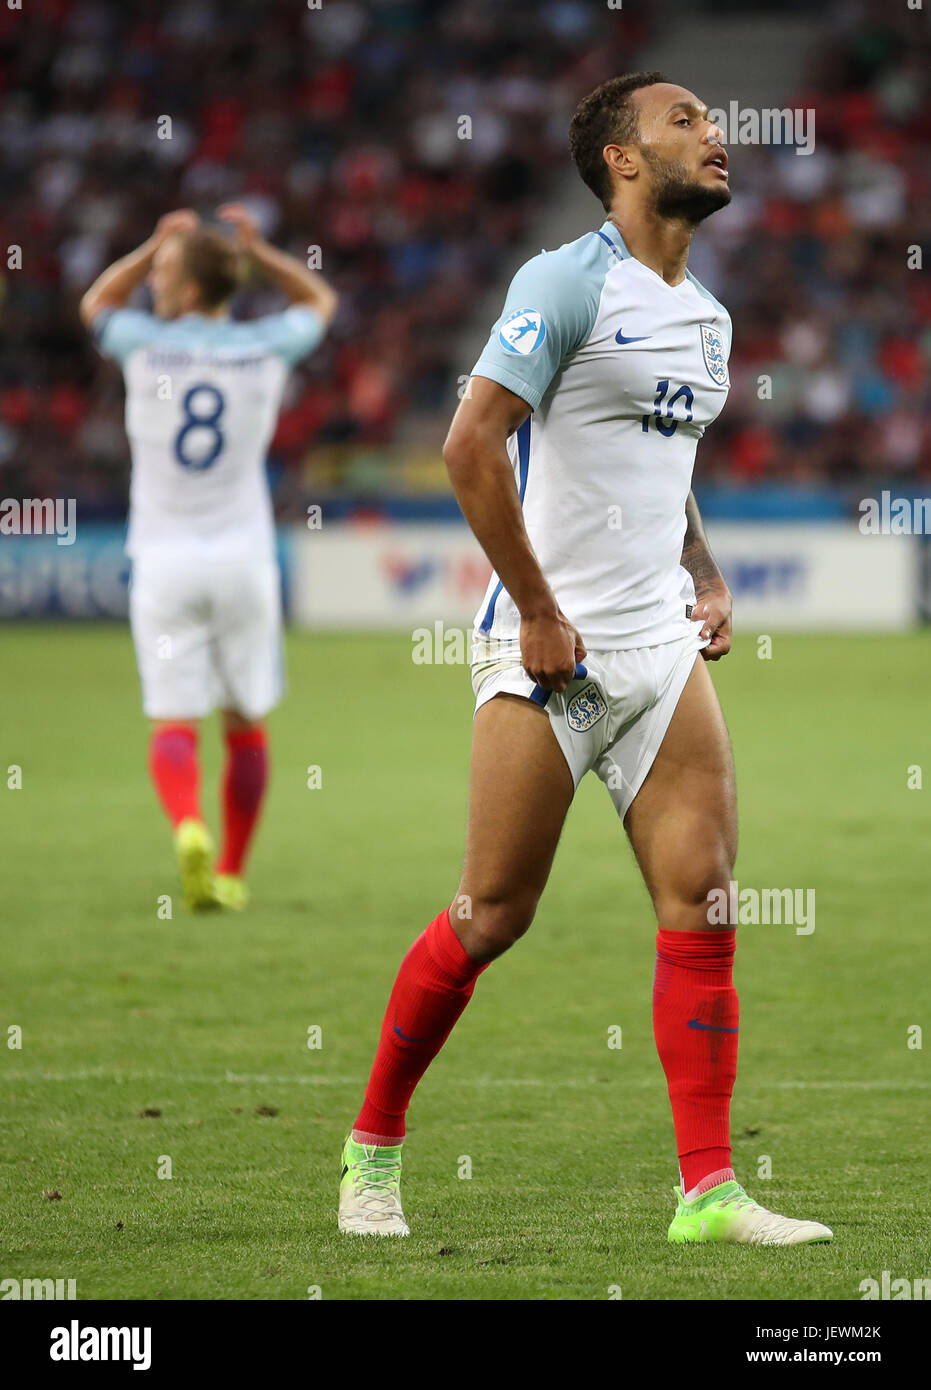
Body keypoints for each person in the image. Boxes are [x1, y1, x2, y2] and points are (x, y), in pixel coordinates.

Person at [338, 73, 832, 1245]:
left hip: (662, 646)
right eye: (683, 121)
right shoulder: (564, 281)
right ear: (619, 158)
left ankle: (708, 1192)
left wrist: (704, 571)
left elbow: (666, 465)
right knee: (491, 914)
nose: (714, 134)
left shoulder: (705, 316)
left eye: (713, 120)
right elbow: (468, 444)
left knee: (704, 905)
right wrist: (536, 609)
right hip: (545, 655)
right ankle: (371, 1153)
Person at [80, 205, 337, 911]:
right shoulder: (263, 348)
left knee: (174, 722)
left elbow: (95, 301)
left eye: (163, 275)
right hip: (244, 561)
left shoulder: (141, 345)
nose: (152, 284)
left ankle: (187, 825)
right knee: (246, 724)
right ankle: (229, 871)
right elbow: (319, 299)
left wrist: (150, 242)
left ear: (190, 291)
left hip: (163, 560)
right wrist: (262, 252)